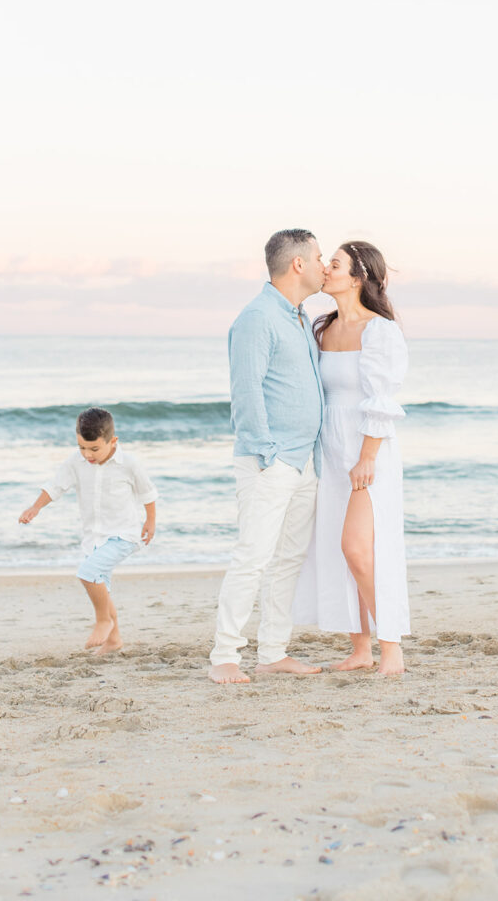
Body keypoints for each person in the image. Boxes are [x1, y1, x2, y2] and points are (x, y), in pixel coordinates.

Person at [208, 229, 326, 684]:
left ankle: (273, 650)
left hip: (303, 460)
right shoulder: (257, 318)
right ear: (297, 264)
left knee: (288, 559)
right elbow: (246, 392)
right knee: (253, 557)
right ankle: (225, 656)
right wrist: (265, 453)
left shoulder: (298, 315)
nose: (322, 264)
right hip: (271, 460)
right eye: (317, 257)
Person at [294, 241, 410, 675]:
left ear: (358, 277)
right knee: (335, 549)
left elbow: (381, 401)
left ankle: (391, 646)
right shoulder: (322, 327)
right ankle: (360, 649)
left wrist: (366, 458)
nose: (325, 269)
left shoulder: (381, 331)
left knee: (359, 549)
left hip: (368, 450)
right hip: (331, 448)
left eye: (335, 264)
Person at [18, 407, 157, 655]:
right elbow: (55, 486)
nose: (87, 454)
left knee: (88, 573)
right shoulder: (76, 462)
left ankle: (104, 621)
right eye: (82, 447)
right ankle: (114, 640)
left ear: (113, 441)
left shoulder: (129, 464)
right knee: (102, 585)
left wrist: (150, 521)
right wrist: (35, 507)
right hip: (94, 537)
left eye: (94, 449)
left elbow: (148, 494)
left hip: (123, 534)